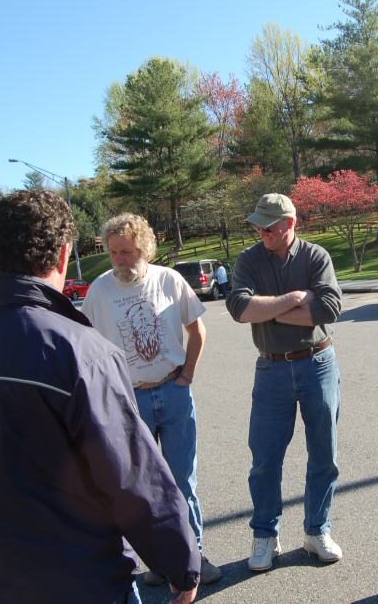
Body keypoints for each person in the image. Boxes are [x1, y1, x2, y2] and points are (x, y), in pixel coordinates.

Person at [0, 190, 199, 604]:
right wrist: (181, 564)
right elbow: (131, 477)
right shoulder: (82, 352)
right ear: (63, 255)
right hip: (86, 575)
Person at [82, 213, 221, 586]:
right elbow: (87, 348)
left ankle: (195, 555)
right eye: (114, 253)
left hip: (174, 392)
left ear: (144, 248)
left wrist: (187, 374)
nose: (121, 260)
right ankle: (161, 562)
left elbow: (198, 330)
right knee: (141, 485)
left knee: (182, 480)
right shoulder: (99, 291)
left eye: (127, 252)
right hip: (130, 402)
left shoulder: (169, 280)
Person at [225, 193, 342, 572]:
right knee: (265, 458)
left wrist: (268, 310)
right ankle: (265, 535)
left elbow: (327, 310)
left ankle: (316, 531)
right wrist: (293, 299)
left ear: (290, 224)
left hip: (318, 363)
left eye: (269, 225)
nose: (261, 231)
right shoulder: (248, 260)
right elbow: (241, 309)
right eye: (258, 224)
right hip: (271, 369)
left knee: (324, 455)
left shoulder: (315, 256)